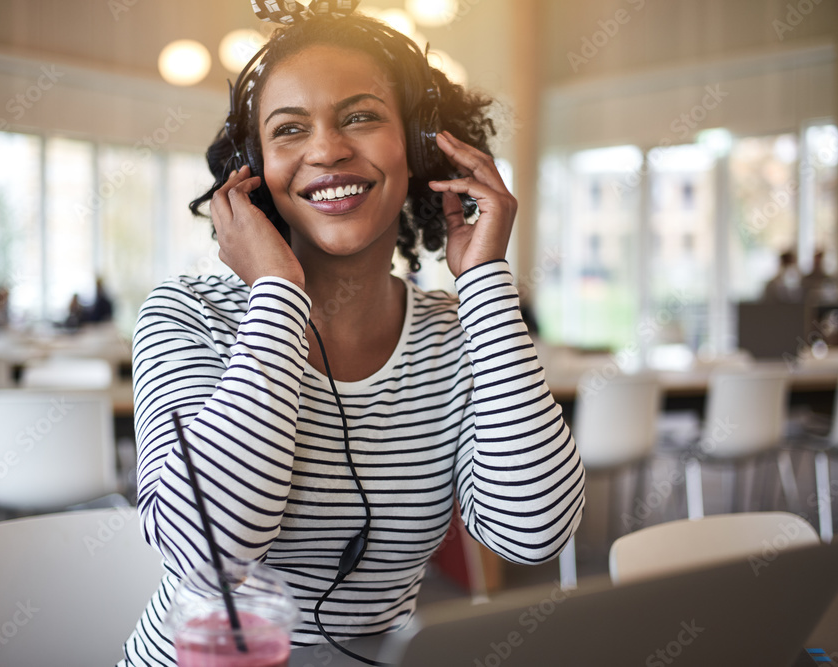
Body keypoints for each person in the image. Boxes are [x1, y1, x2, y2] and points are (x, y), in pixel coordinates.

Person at [121, 3, 584, 665]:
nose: (327, 150)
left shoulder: (457, 334)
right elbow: (207, 551)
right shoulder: (185, 314)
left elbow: (534, 531)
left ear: (421, 149)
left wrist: (484, 277)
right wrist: (278, 292)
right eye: (288, 129)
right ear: (252, 171)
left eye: (360, 116)